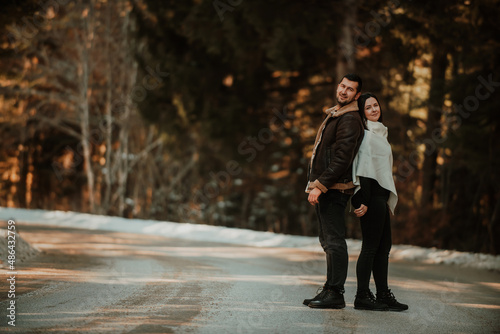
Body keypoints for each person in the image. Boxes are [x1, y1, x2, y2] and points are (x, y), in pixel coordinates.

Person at [304, 74, 365, 309]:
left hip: (335, 188)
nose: (343, 91)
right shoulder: (337, 114)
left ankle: (336, 293)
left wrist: (320, 185)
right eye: (342, 86)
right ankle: (330, 288)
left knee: (334, 241)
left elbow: (341, 160)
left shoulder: (349, 119)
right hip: (328, 187)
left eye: (350, 89)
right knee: (328, 240)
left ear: (357, 95)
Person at [351, 93, 408, 311]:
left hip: (380, 198)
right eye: (368, 107)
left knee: (384, 248)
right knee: (371, 248)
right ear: (362, 112)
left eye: (376, 105)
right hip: (371, 199)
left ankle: (383, 294)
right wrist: (361, 200)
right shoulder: (366, 135)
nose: (374, 109)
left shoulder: (380, 132)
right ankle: (362, 296)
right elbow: (363, 170)